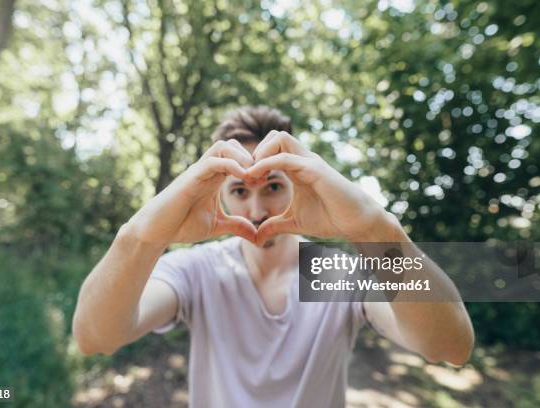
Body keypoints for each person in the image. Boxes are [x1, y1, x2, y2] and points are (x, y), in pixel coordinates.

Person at [72, 106, 474, 407]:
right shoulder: (196, 269)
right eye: (240, 191)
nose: (257, 209)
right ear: (221, 197)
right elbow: (95, 337)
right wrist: (142, 236)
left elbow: (448, 346)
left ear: (297, 185)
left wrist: (375, 230)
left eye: (273, 186)